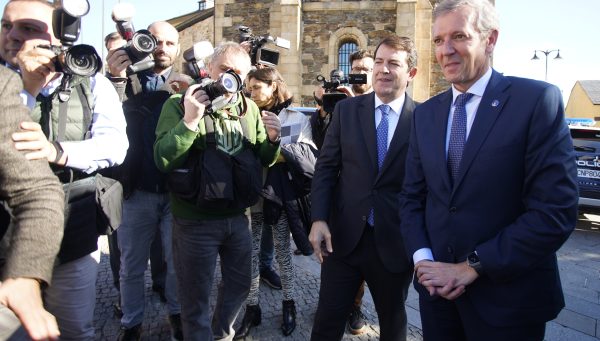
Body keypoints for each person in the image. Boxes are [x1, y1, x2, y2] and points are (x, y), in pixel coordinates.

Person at [399, 0, 578, 340]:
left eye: (458, 36)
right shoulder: (425, 114)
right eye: (438, 40)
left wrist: (472, 267)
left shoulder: (536, 101)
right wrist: (423, 262)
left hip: (508, 304)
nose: (446, 50)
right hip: (438, 301)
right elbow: (411, 198)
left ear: (490, 39)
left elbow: (555, 211)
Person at [0, 0, 128, 339]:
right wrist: (26, 88)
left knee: (73, 328)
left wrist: (56, 151)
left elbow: (115, 146)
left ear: (63, 37)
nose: (13, 36)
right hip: (6, 235)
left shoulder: (94, 84)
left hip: (74, 225)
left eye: (28, 29)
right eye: (6, 25)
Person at [154, 41, 281, 340]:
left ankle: (222, 333)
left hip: (239, 219)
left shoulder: (249, 109)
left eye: (238, 73)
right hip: (194, 220)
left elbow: (264, 158)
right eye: (224, 70)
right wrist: (190, 120)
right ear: (209, 69)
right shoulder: (178, 103)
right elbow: (162, 158)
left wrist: (273, 140)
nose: (230, 79)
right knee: (194, 295)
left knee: (239, 285)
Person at [308, 35, 418, 341]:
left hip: (394, 243)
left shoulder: (424, 118)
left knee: (393, 322)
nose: (383, 70)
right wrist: (318, 219)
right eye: (379, 62)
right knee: (327, 321)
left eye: (393, 63)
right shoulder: (346, 111)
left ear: (411, 73)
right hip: (343, 240)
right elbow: (327, 168)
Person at [105, 21, 182, 340]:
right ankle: (131, 324)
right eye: (156, 41)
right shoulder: (124, 78)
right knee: (131, 265)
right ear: (143, 41)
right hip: (135, 190)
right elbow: (105, 121)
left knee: (178, 264)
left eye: (169, 43)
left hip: (178, 192)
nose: (162, 47)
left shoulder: (186, 84)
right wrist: (114, 80)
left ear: (177, 49)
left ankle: (178, 316)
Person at [234, 67, 316, 338]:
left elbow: (302, 156)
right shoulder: (242, 112)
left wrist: (271, 147)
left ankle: (289, 303)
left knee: (282, 251)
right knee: (252, 252)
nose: (251, 91)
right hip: (250, 194)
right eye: (248, 86)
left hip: (279, 195)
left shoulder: (293, 116)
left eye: (257, 86)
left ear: (273, 86)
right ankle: (252, 306)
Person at [0, 64, 64, 341]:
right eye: (7, 26)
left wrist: (25, 275)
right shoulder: (10, 82)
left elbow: (37, 188)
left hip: (79, 207)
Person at [310, 49, 374, 150]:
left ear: (374, 73)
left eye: (366, 69)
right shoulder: (339, 99)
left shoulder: (380, 104)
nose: (361, 72)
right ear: (351, 72)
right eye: (357, 68)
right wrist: (322, 109)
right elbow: (320, 143)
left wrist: (353, 105)